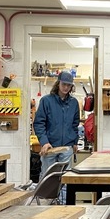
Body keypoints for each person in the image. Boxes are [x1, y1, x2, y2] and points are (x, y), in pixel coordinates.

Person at [32, 71, 80, 199]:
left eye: (69, 86)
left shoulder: (74, 103)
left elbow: (75, 124)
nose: (66, 88)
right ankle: (43, 207)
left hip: (66, 148)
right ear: (58, 83)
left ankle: (63, 207)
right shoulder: (46, 101)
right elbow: (39, 124)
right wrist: (44, 142)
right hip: (50, 147)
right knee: (48, 178)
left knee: (65, 178)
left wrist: (75, 142)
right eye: (64, 84)